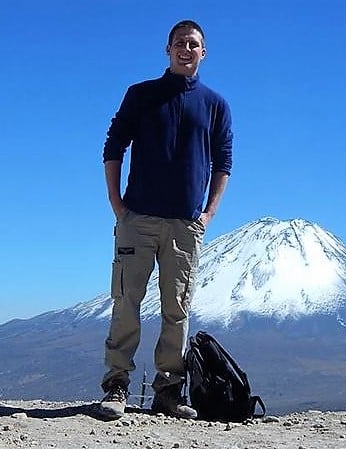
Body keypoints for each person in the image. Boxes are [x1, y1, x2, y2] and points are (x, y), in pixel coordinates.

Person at [98, 19, 233, 420]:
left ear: (203, 52)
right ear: (167, 49)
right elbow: (113, 146)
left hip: (185, 226)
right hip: (137, 218)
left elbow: (223, 163)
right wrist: (117, 203)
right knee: (126, 301)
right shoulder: (141, 95)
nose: (186, 50)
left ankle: (168, 392)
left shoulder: (215, 104)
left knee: (177, 308)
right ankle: (116, 386)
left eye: (193, 44)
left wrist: (208, 215)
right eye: (179, 43)